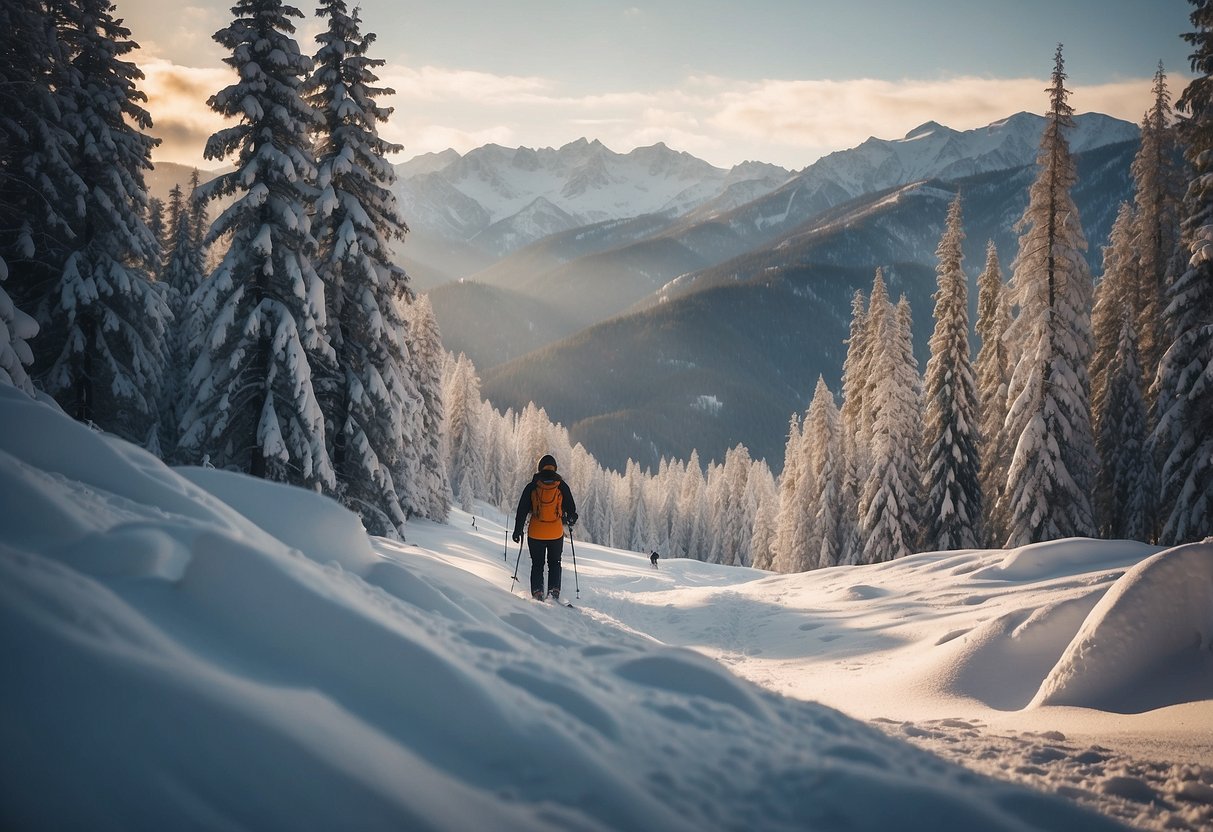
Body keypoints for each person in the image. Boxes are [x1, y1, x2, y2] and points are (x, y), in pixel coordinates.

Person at [513, 454, 577, 601]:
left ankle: (537, 592)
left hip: (536, 533)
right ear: (555, 468)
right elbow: (572, 510)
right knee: (555, 562)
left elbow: (522, 510)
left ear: (540, 467)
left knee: (537, 564)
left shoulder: (532, 486)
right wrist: (570, 519)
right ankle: (554, 591)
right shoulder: (561, 486)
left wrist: (517, 531)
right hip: (555, 533)